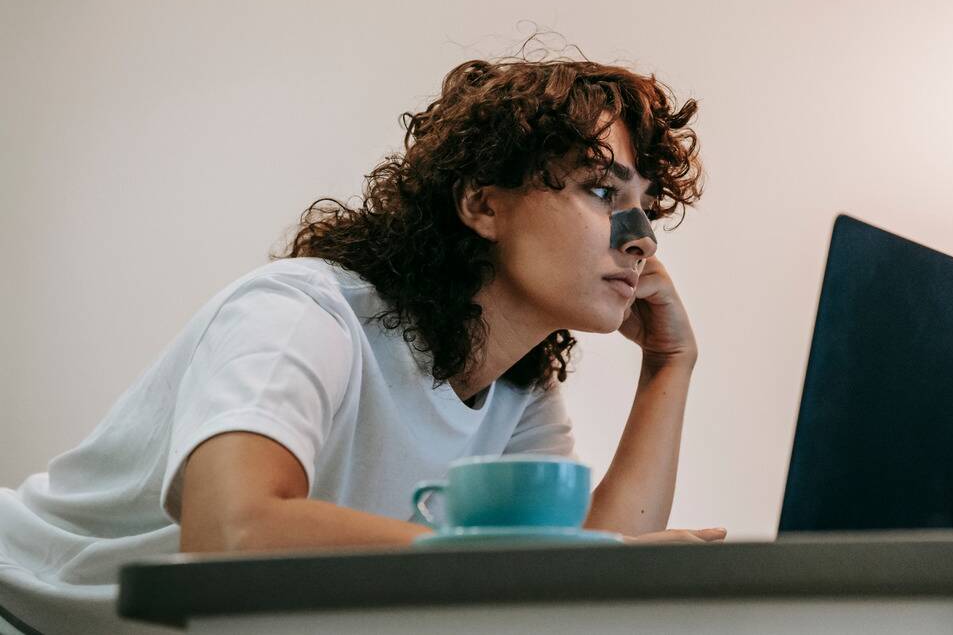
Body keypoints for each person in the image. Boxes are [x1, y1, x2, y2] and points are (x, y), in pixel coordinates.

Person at [0, 55, 725, 634]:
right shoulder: (305, 311)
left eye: (644, 209)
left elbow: (584, 578)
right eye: (604, 192)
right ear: (481, 202)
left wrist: (668, 364)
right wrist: (554, 564)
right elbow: (227, 530)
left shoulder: (517, 392)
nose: (641, 241)